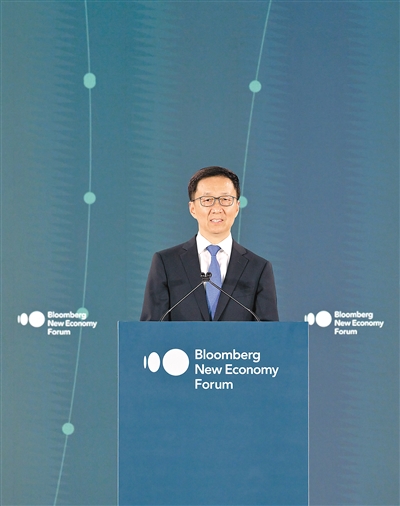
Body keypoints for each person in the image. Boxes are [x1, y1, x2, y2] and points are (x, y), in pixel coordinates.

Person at [140, 166, 279, 321]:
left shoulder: (258, 268)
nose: (217, 208)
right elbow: (151, 329)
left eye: (225, 200)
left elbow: (269, 331)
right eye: (207, 200)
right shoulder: (166, 263)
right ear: (192, 208)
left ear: (237, 207)